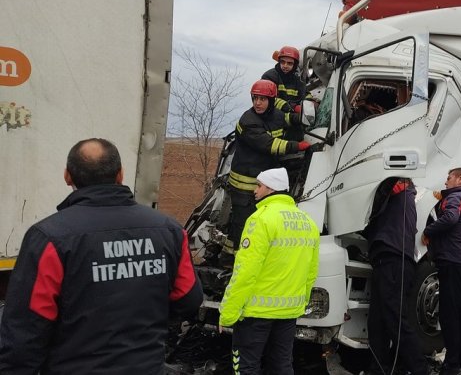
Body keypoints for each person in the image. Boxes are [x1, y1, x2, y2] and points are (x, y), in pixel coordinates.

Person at [0, 138, 203, 373]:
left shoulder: (49, 238)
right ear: (120, 174)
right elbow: (189, 299)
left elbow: (24, 333)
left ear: (67, 176)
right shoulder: (170, 231)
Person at [218, 167, 320, 374]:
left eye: (259, 185)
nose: (255, 190)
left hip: (256, 313)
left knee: (246, 366)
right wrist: (300, 303)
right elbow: (311, 271)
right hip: (289, 312)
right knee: (282, 365)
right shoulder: (308, 222)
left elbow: (245, 272)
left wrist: (227, 314)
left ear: (270, 189)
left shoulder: (260, 220)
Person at [219, 79, 313, 265]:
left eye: (262, 99)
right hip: (244, 183)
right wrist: (299, 146)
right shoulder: (248, 121)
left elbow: (286, 119)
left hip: (260, 181)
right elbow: (271, 145)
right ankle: (235, 261)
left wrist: (302, 116)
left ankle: (232, 256)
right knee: (243, 224)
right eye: (255, 98)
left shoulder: (275, 115)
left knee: (251, 224)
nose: (258, 103)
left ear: (271, 100)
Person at [363, 177, 430, 375]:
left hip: (393, 259)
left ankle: (419, 369)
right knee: (378, 321)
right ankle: (379, 369)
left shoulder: (398, 188)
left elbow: (380, 197)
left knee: (394, 321)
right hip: (389, 259)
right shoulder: (405, 197)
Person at [423, 168, 461, 375]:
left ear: (460, 179)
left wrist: (429, 231)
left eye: (449, 178)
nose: (446, 182)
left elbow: (451, 218)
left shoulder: (455, 198)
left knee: (449, 317)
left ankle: (452, 366)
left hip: (452, 264)